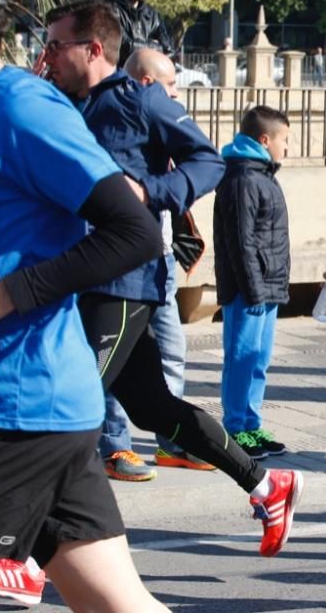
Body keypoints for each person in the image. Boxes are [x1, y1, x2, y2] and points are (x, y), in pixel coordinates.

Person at [41, 0, 302, 556]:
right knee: (152, 407)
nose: (47, 54)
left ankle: (28, 555)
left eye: (56, 44)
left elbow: (207, 160)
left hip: (122, 280)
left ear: (92, 48)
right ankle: (265, 483)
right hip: (79, 277)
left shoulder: (141, 102)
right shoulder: (61, 104)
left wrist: (150, 192)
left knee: (68, 408)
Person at [0, 0, 166, 608]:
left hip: (15, 407)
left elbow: (134, 233)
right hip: (30, 406)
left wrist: (6, 294)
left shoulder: (20, 108)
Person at [122, 48, 215, 472]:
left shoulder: (162, 126)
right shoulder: (122, 130)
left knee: (172, 351)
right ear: (145, 83)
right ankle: (114, 445)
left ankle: (171, 440)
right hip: (124, 266)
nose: (178, 94)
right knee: (117, 357)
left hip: (160, 261)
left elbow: (205, 165)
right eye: (171, 85)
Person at [214, 106, 292, 460]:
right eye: (284, 140)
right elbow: (240, 241)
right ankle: (234, 427)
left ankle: (251, 424)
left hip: (268, 286)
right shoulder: (243, 178)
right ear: (265, 140)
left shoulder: (263, 175)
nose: (287, 148)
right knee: (241, 358)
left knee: (258, 359)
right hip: (249, 289)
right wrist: (254, 289)